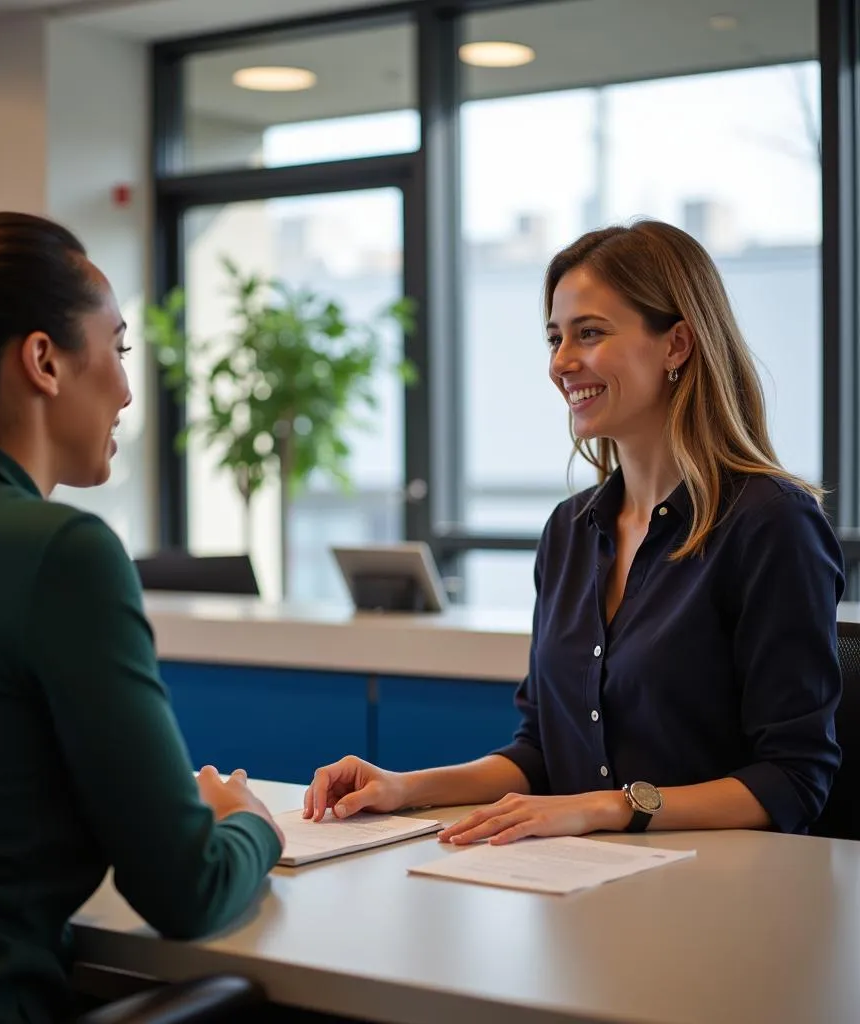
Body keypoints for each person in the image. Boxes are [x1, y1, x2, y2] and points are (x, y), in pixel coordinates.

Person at [0, 213, 284, 1024]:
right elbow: (189, 891)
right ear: (43, 360)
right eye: (115, 349)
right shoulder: (63, 553)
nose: (125, 387)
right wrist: (252, 826)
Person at [304, 220, 844, 844]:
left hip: (722, 894)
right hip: (583, 888)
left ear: (676, 345)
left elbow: (793, 777)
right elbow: (540, 752)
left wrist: (611, 807)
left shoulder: (771, 523)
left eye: (589, 334)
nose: (562, 363)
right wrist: (405, 787)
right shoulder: (570, 531)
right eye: (556, 338)